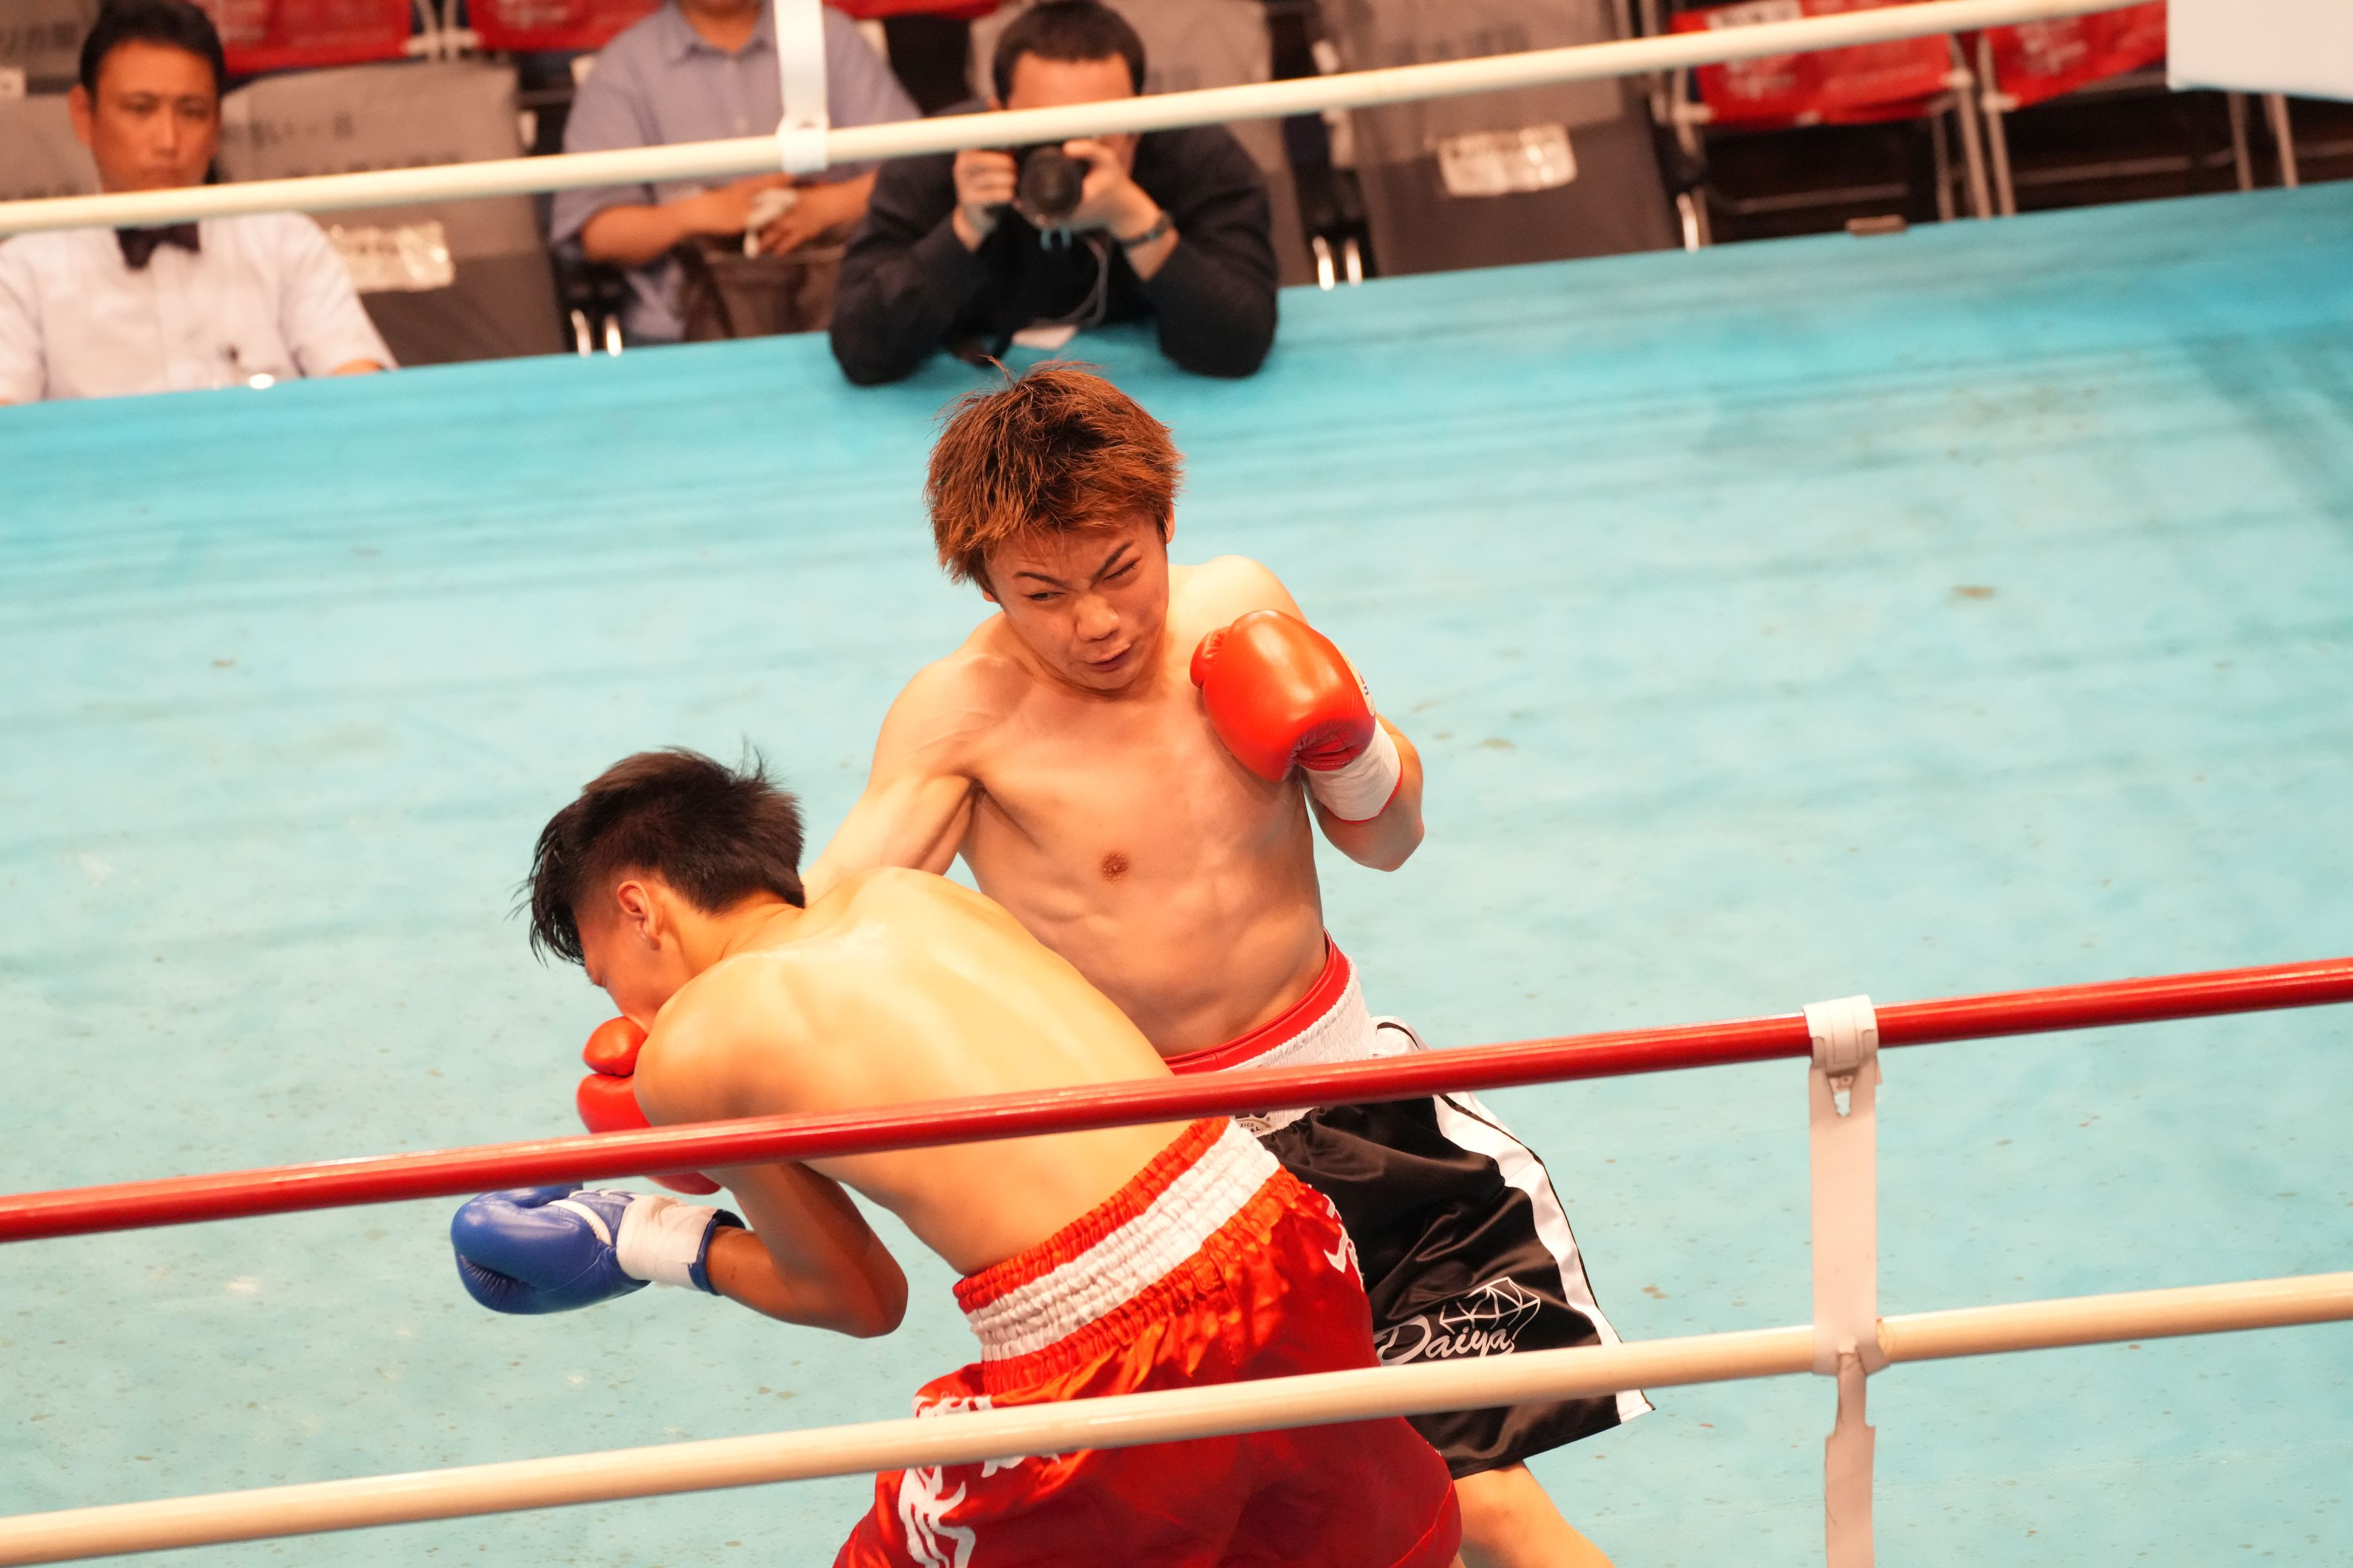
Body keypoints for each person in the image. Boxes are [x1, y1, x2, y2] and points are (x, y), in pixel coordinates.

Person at [804, 365, 1647, 1568]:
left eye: (1118, 571)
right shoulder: (961, 717)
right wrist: (686, 1043)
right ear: (984, 583)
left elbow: (1389, 842)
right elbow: (827, 938)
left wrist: (1351, 748)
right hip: (1160, 1184)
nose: (1096, 623)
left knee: (1487, 1500)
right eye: (1043, 593)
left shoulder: (1240, 608)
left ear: (1164, 525)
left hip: (1354, 1111)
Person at [451, 748, 1463, 1568]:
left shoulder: (692, 1043)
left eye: (606, 975)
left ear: (638, 907)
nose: (628, 1012)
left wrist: (641, 1236)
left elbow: (855, 1295)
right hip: (1280, 1231)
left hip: (1109, 1341)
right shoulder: (910, 896)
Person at [829, 0, 1276, 385]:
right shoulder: (937, 159)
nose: (1070, 155)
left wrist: (1137, 222)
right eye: (1048, 131)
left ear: (1140, 121)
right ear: (997, 117)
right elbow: (862, 351)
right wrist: (965, 229)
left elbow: (1241, 345)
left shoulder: (1196, 156)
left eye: (1098, 131)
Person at [0, 0, 391, 404]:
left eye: (192, 112)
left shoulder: (286, 244)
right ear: (84, 114)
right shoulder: (22, 274)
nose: (168, 140)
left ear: (217, 123)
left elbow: (366, 396)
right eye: (140, 109)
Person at [552, 0, 918, 346]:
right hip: (680, 333)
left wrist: (826, 208)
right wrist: (701, 214)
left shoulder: (827, 35)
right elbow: (599, 235)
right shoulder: (625, 64)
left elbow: (918, 173)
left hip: (841, 314)